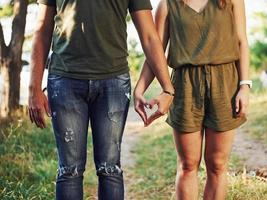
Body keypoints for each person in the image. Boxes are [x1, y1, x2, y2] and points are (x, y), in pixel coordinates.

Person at [28, 0, 174, 199]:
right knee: (69, 170)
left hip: (113, 81)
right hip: (65, 80)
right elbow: (42, 29)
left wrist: (167, 88)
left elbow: (149, 36)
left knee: (110, 168)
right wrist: (33, 88)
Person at [134, 0, 251, 199]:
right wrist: (139, 88)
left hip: (224, 84)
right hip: (185, 85)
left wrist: (245, 85)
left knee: (217, 165)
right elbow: (156, 51)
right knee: (188, 165)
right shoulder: (168, 5)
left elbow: (242, 41)